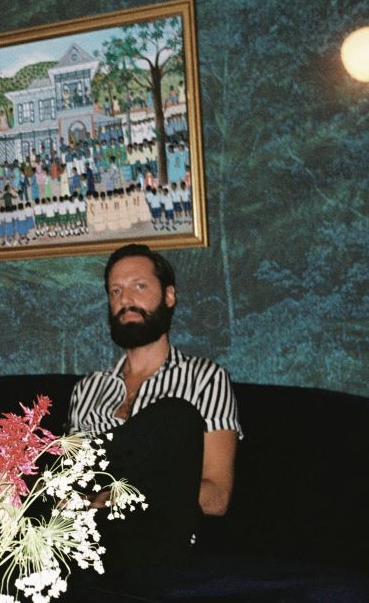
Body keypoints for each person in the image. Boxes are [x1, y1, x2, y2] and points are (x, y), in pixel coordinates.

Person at [66, 244, 241, 581]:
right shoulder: (86, 390)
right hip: (86, 539)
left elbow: (217, 497)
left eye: (139, 286)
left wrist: (115, 497)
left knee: (175, 416)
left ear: (169, 296)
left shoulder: (205, 379)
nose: (126, 299)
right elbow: (70, 485)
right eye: (116, 291)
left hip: (157, 534)